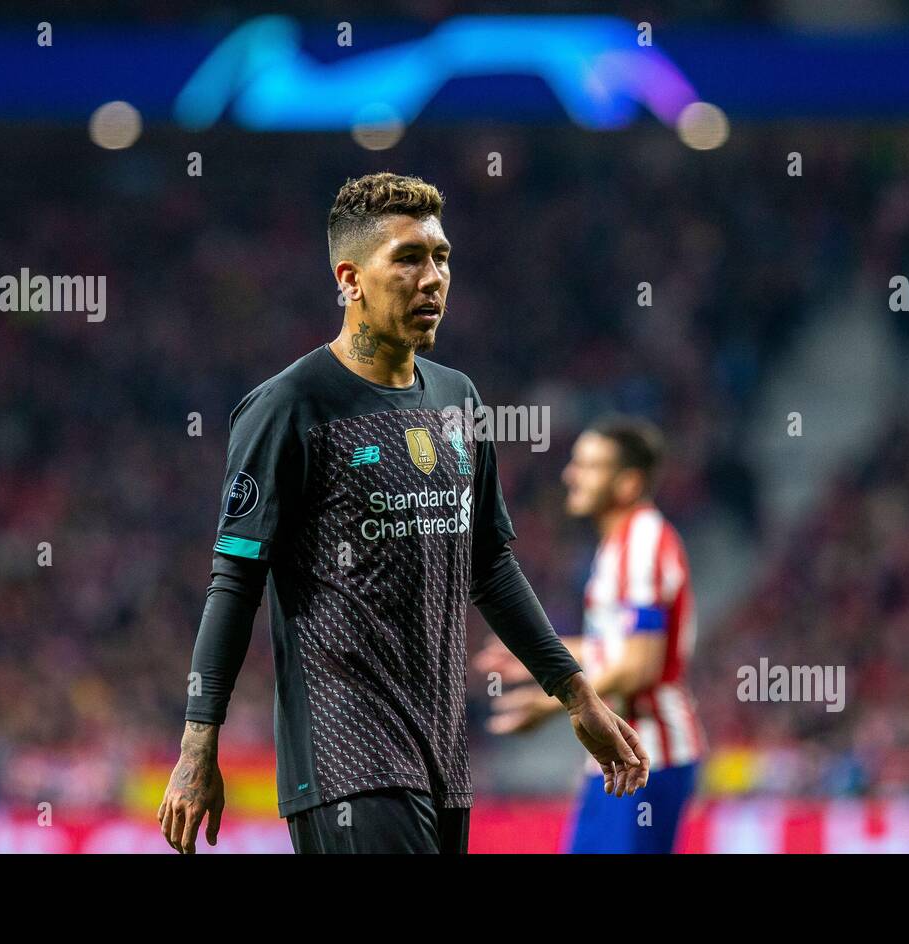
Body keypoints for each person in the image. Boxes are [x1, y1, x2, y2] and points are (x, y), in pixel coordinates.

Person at [157, 172, 648, 854]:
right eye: (409, 259)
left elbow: (491, 566)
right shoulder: (291, 407)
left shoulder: (458, 397)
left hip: (442, 762)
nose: (433, 278)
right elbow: (234, 583)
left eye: (441, 257)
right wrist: (196, 744)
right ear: (352, 278)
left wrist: (575, 693)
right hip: (346, 762)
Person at [478, 417, 705, 853]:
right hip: (617, 754)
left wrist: (552, 703)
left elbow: (639, 664)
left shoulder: (645, 543)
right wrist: (540, 655)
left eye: (590, 466)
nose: (571, 475)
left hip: (650, 755)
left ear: (628, 483)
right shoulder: (618, 545)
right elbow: (616, 646)